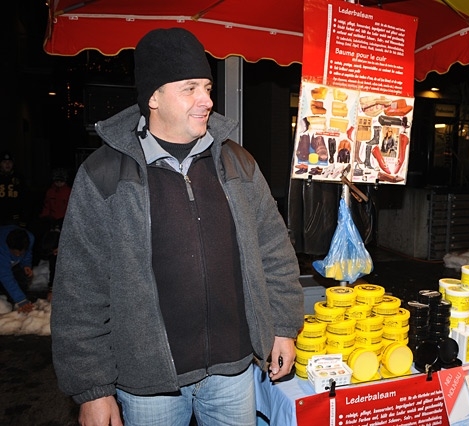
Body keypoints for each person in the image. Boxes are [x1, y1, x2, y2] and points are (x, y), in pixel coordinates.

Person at [51, 28, 304, 426]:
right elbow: (80, 291)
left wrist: (284, 327)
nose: (207, 100)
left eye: (207, 87)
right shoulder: (103, 174)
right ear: (153, 98)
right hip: (149, 385)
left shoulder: (237, 163)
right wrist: (93, 390)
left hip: (233, 370)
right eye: (190, 89)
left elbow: (275, 251)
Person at [38, 167, 71, 295]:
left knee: (64, 252)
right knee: (53, 254)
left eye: (61, 181)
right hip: (52, 224)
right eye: (57, 181)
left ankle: (67, 283)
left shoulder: (69, 191)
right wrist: (45, 219)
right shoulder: (50, 192)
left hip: (65, 223)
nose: (59, 184)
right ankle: (52, 283)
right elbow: (46, 207)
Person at [0, 225, 35, 313]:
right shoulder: (2, 249)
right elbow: (5, 275)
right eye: (15, 253)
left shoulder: (29, 238)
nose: (18, 255)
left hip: (9, 262)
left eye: (21, 253)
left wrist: (26, 264)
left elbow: (28, 252)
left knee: (21, 278)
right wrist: (21, 300)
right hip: (2, 262)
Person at [0, 151, 27, 226]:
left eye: (10, 162)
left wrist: (24, 218)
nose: (7, 164)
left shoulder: (19, 178)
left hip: (14, 217)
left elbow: (25, 198)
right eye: (4, 162)